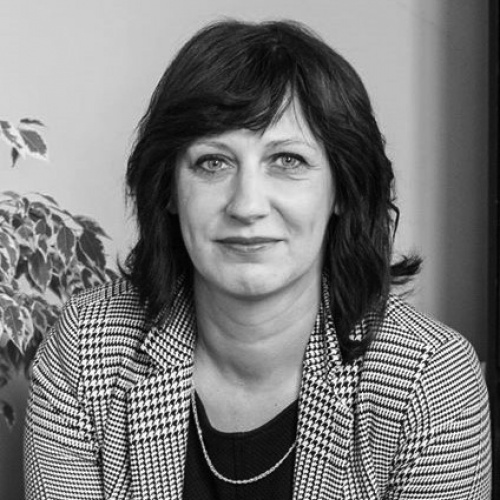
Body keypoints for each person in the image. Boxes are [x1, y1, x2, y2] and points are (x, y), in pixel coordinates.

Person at [24, 19, 491, 499]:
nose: (247, 205)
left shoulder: (429, 381)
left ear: (341, 190)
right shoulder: (87, 350)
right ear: (169, 190)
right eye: (213, 162)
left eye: (287, 160)